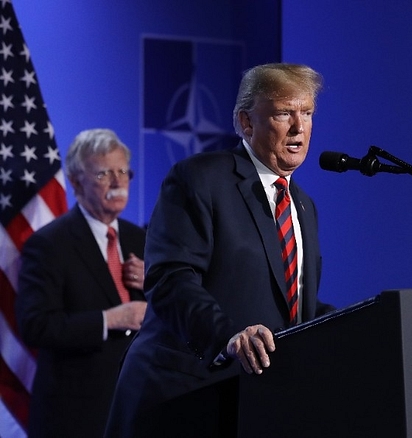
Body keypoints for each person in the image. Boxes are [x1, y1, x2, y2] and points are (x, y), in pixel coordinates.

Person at [105, 63, 335, 437]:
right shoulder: (200, 179)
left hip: (254, 404)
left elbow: (292, 306)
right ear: (246, 122)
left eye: (306, 113)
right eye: (283, 113)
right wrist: (227, 336)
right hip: (184, 398)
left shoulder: (303, 206)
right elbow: (169, 278)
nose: (299, 128)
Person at [15, 129, 147, 438]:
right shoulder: (48, 245)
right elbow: (36, 325)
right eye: (104, 174)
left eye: (123, 172)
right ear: (75, 182)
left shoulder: (142, 239)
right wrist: (109, 319)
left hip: (136, 406)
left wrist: (153, 283)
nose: (118, 183)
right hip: (74, 416)